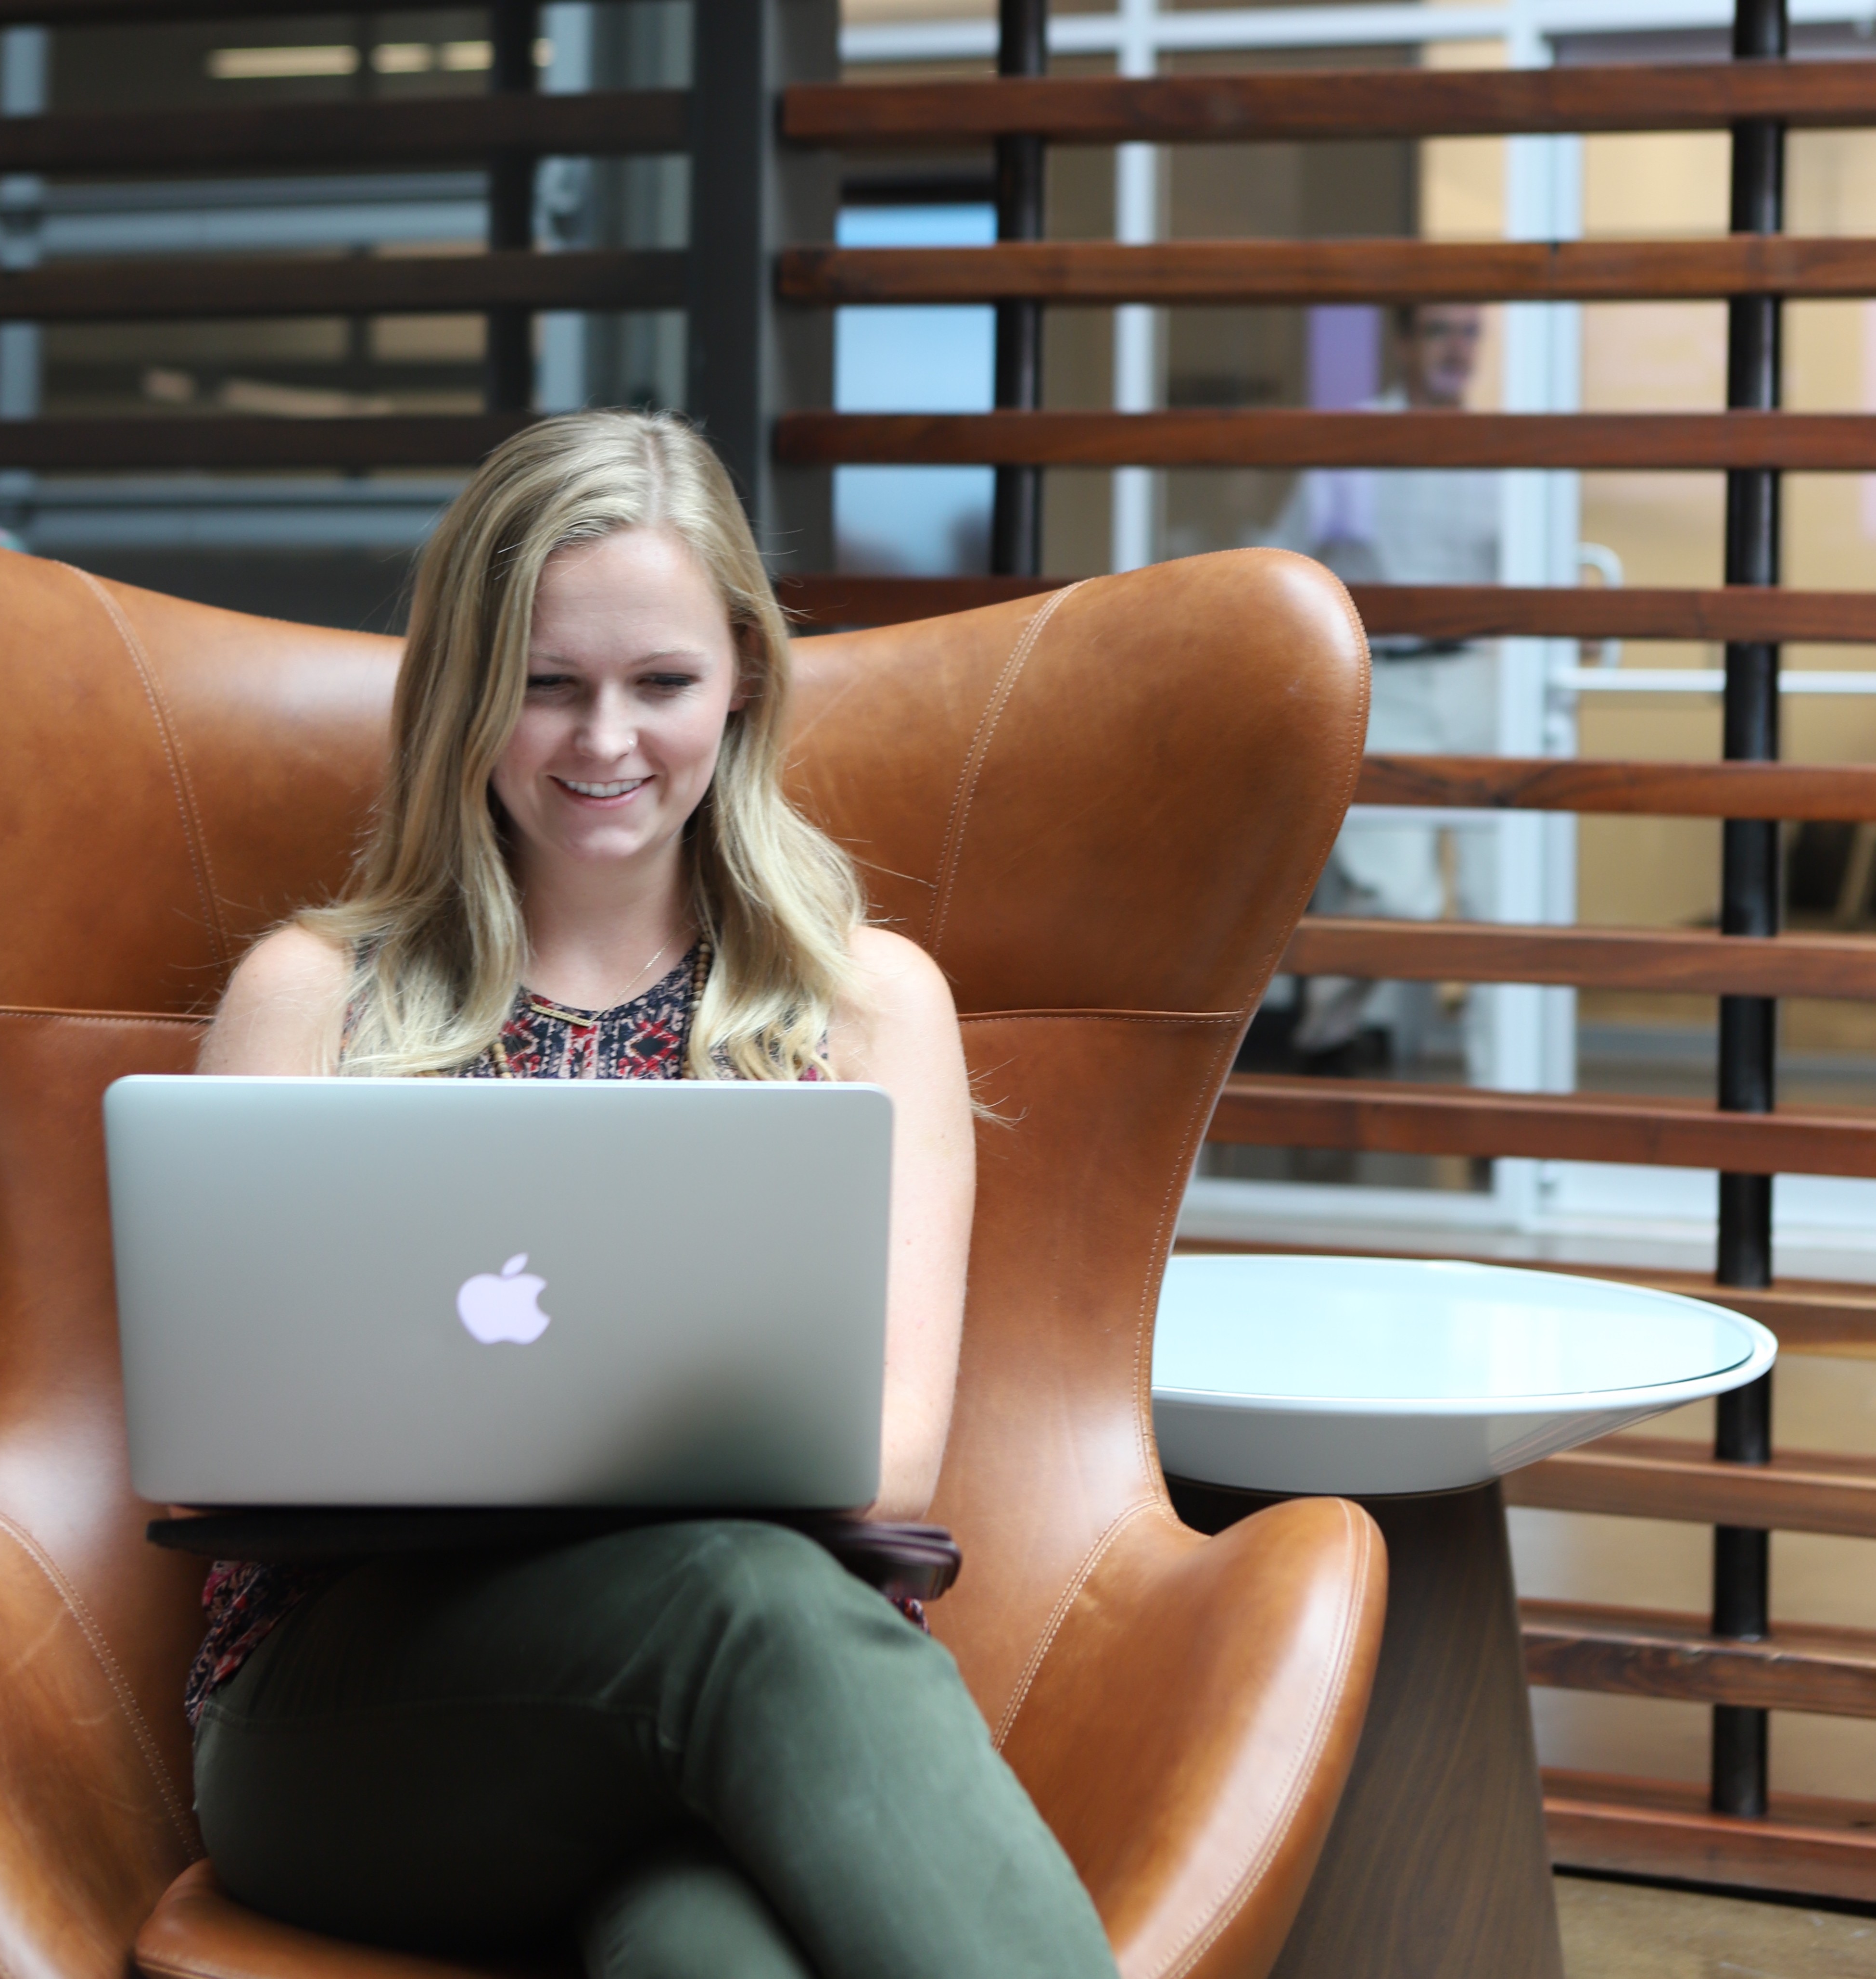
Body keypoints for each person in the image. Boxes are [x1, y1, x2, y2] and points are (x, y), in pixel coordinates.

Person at [187, 409, 1119, 1979]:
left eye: (660, 683)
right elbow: (220, 1427)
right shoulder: (309, 995)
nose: (602, 741)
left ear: (745, 677)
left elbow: (883, 1448)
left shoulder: (869, 1002)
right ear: (465, 692)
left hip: (742, 1724)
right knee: (740, 1585)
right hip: (359, 1729)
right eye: (545, 683)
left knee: (717, 1952)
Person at [1265, 303, 1500, 1081]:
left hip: (1480, 680)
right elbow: (1289, 561)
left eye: (1471, 331)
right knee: (1398, 897)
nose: (1458, 348)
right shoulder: (1356, 442)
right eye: (1440, 331)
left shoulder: (1502, 446)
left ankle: (1502, 1088)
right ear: (1403, 342)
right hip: (1389, 684)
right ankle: (1326, 1039)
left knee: (1503, 901)